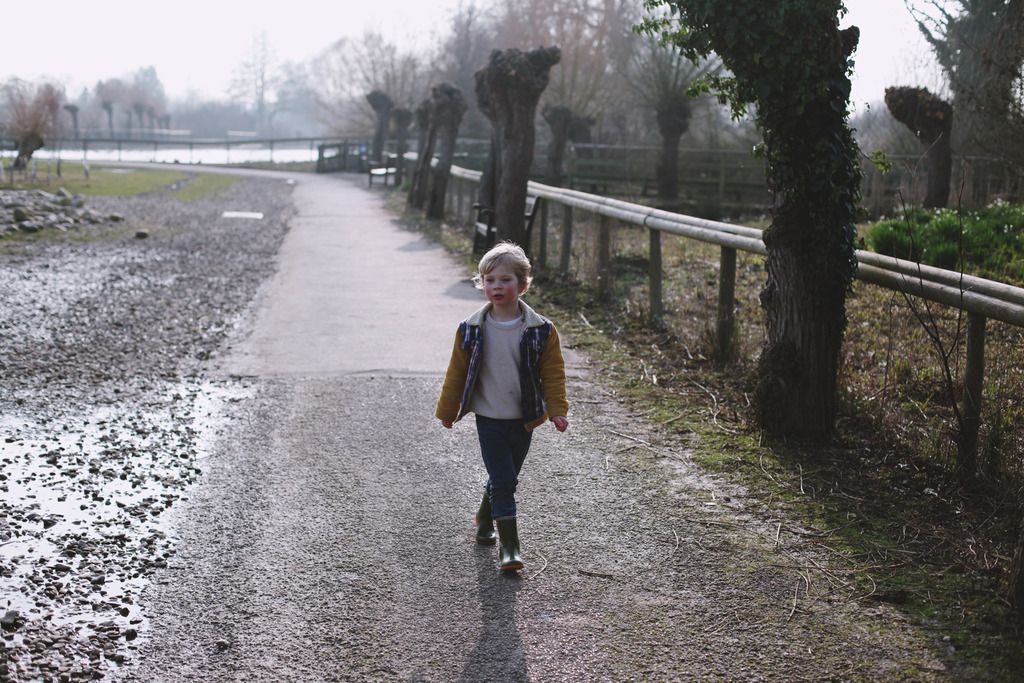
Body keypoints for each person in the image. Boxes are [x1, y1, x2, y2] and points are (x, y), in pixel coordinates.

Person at [436, 242, 569, 572]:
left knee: (503, 477)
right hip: (489, 417)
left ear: (522, 285)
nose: (497, 286)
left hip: (524, 418)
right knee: (505, 480)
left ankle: (484, 518)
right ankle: (510, 547)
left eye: (505, 280)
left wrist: (557, 409)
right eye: (490, 280)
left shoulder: (541, 331)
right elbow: (457, 372)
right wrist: (447, 410)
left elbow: (553, 372)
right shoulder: (471, 329)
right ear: (482, 284)